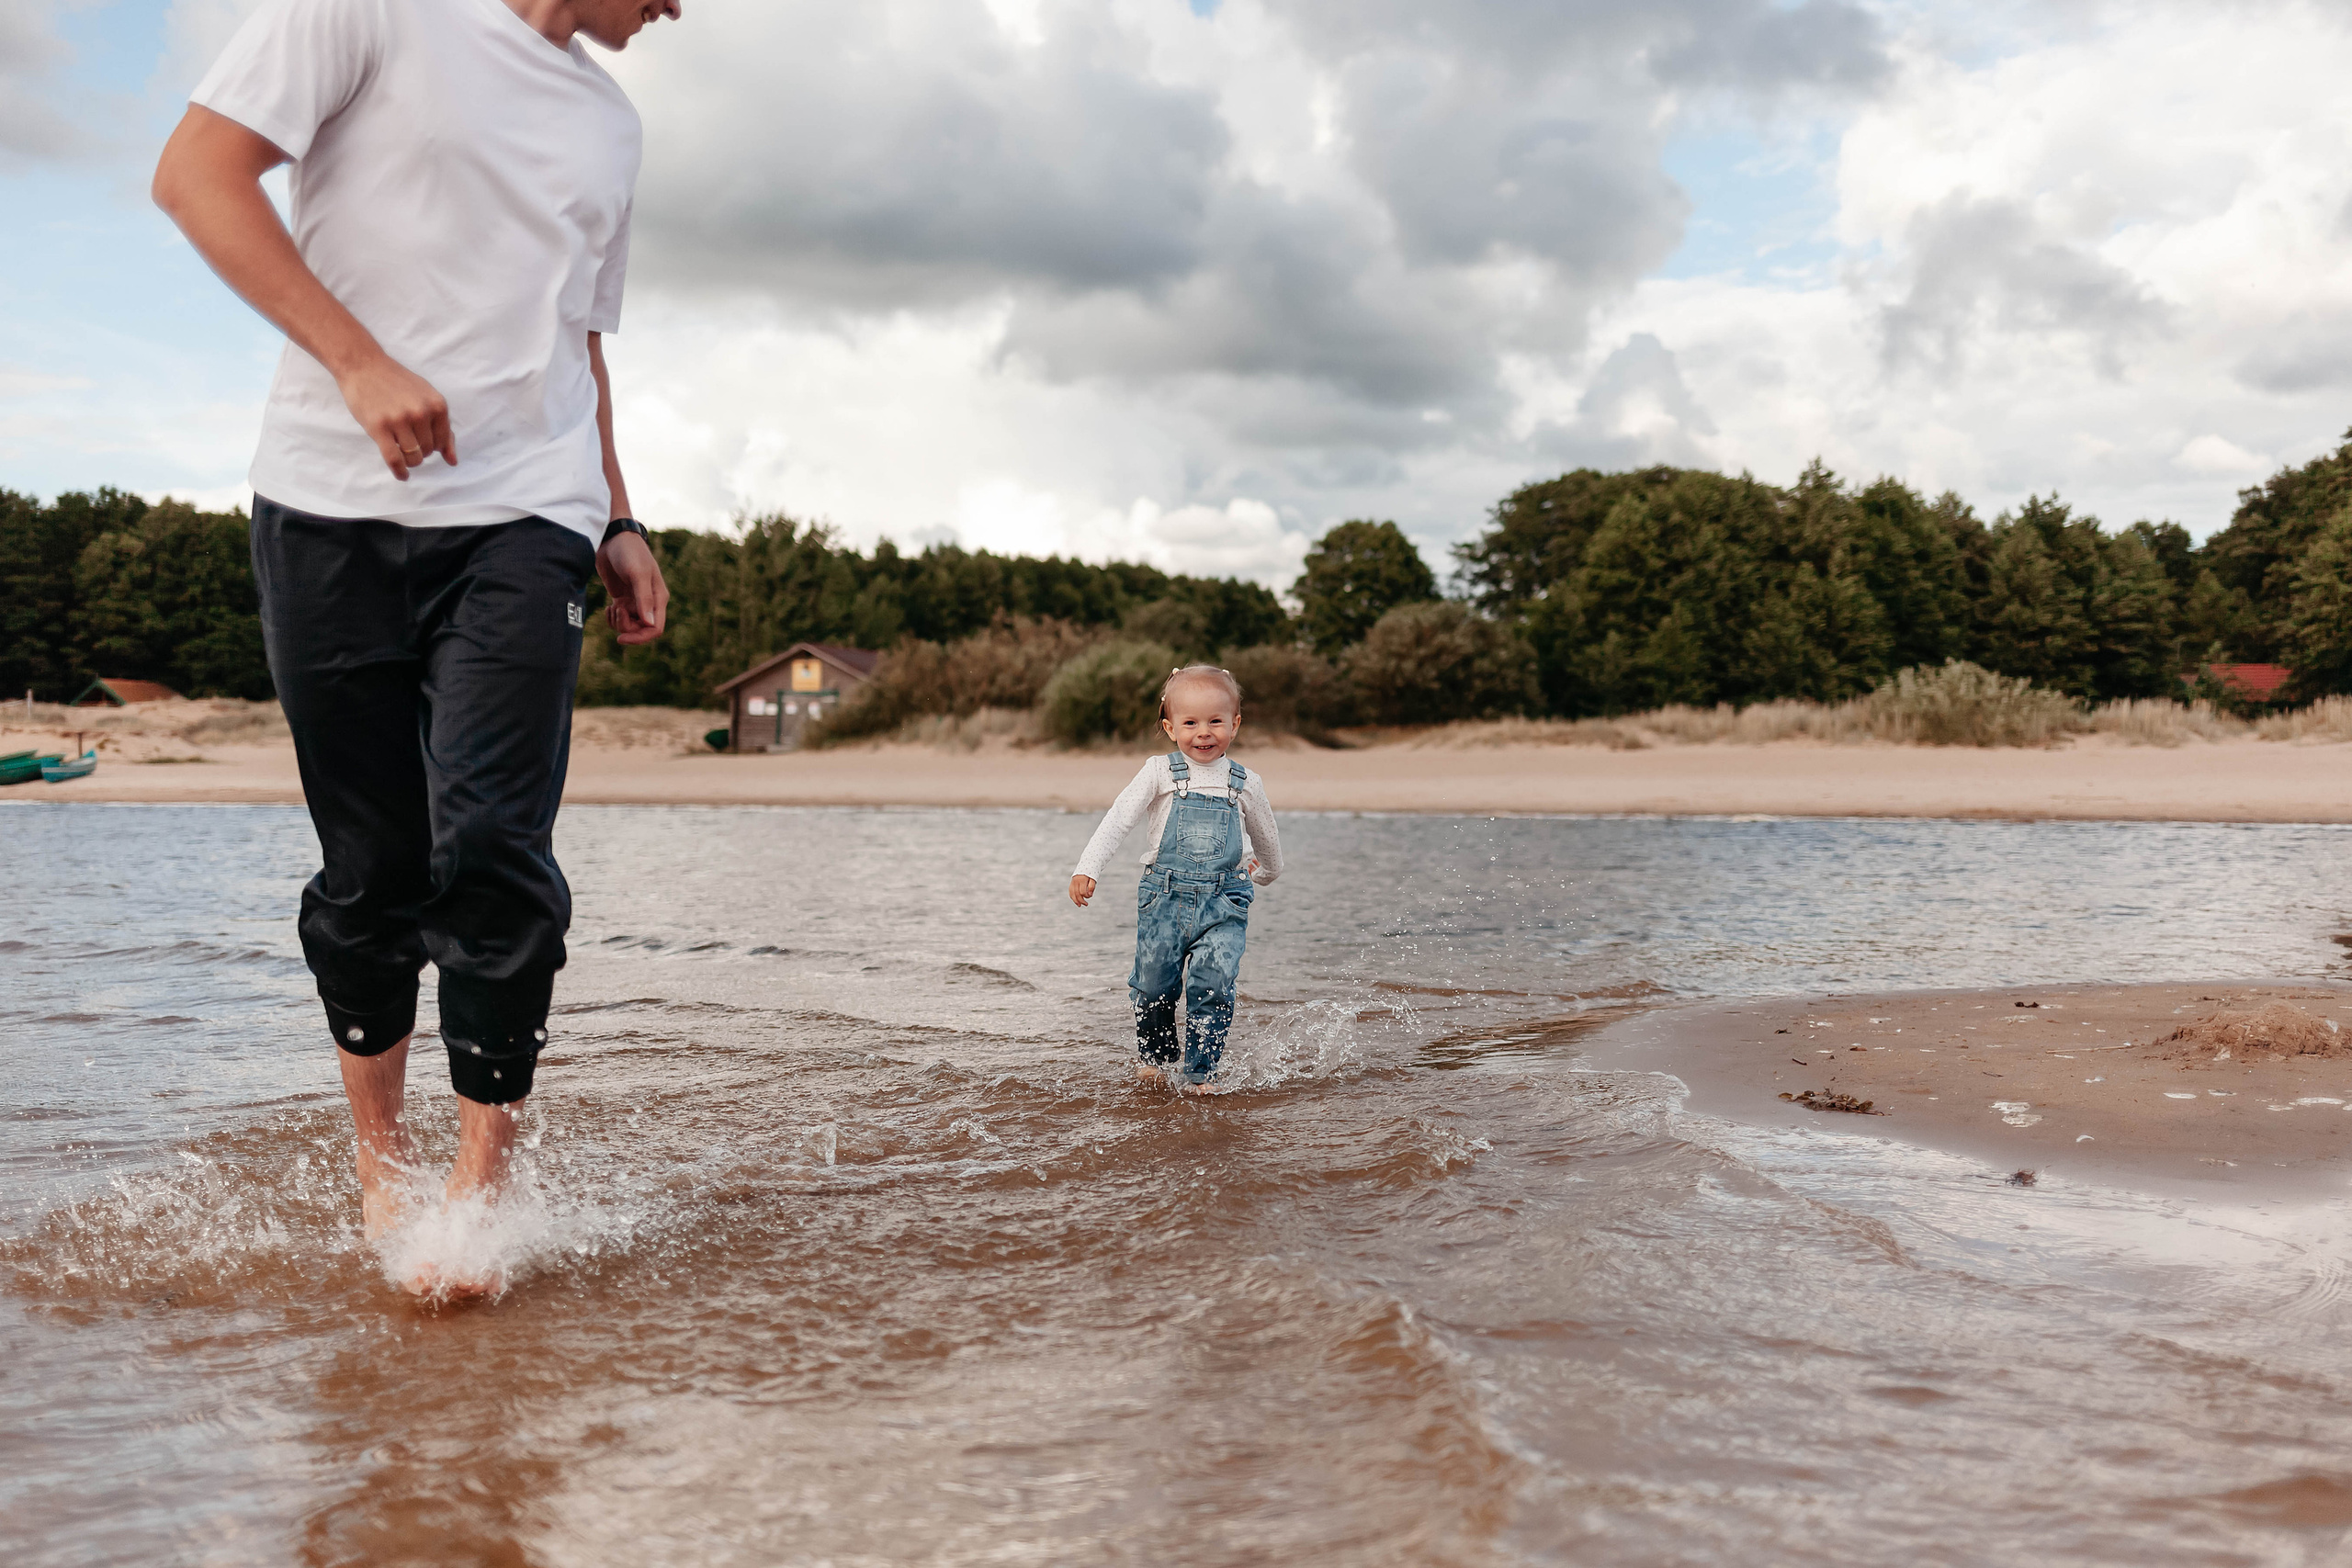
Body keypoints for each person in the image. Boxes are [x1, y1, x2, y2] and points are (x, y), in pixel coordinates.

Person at [151, 0, 682, 1288]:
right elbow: (195, 174)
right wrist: (356, 359)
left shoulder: (611, 124)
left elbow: (581, 343)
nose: (680, 7)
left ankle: (478, 1192)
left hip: (526, 520)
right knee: (372, 865)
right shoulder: (369, 9)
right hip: (327, 507)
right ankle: (383, 1168)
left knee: (494, 847)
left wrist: (614, 511)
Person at [1069, 666, 1284, 1093]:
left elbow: (1266, 835)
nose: (1203, 733)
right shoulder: (1159, 772)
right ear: (1170, 727)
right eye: (1190, 723)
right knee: (1153, 987)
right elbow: (1118, 821)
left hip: (1225, 902)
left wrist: (1269, 871)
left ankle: (1201, 1072)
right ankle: (1155, 1058)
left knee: (1213, 983)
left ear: (1235, 724)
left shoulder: (1245, 782)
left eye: (1215, 722)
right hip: (1163, 898)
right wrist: (1087, 867)